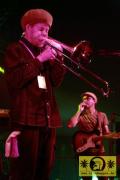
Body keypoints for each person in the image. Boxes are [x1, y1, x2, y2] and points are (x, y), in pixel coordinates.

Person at [4, 8, 66, 180]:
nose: (45, 34)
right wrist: (40, 60)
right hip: (26, 121)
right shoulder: (15, 49)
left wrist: (58, 61)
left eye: (47, 30)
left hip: (48, 120)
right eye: (41, 29)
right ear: (28, 28)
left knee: (44, 170)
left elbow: (56, 82)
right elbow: (15, 80)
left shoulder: (44, 52)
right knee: (24, 171)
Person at [67, 91, 110, 180]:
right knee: (86, 178)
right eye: (84, 99)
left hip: (99, 150)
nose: (85, 100)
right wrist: (79, 110)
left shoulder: (102, 115)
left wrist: (112, 135)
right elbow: (70, 125)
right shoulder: (80, 116)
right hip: (84, 151)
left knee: (104, 178)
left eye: (88, 98)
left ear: (95, 101)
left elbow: (107, 133)